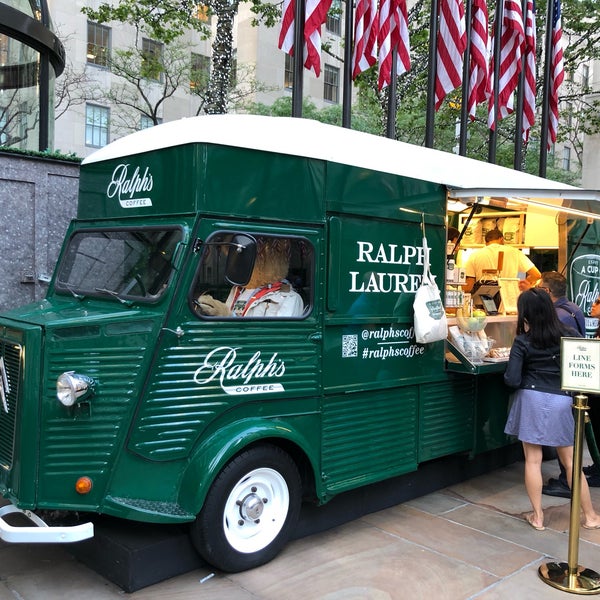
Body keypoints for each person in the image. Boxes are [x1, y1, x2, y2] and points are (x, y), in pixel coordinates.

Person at [503, 288, 600, 531]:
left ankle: (538, 517)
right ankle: (590, 516)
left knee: (533, 461)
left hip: (531, 399)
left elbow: (512, 380)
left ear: (525, 313)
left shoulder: (523, 341)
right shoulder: (569, 333)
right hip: (562, 400)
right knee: (571, 463)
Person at [537, 272, 587, 498]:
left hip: (560, 382)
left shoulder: (557, 316)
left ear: (548, 292)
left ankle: (567, 483)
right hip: (574, 377)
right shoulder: (574, 308)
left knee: (563, 436)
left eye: (539, 289)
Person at [196, 237, 304, 318]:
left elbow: (276, 339)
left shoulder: (289, 299)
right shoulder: (238, 289)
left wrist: (227, 316)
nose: (238, 265)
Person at [463, 229, 541, 294]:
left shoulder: (475, 255)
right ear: (501, 239)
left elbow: (469, 286)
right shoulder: (514, 252)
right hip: (508, 298)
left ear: (486, 242)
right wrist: (521, 284)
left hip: (484, 299)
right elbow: (536, 275)